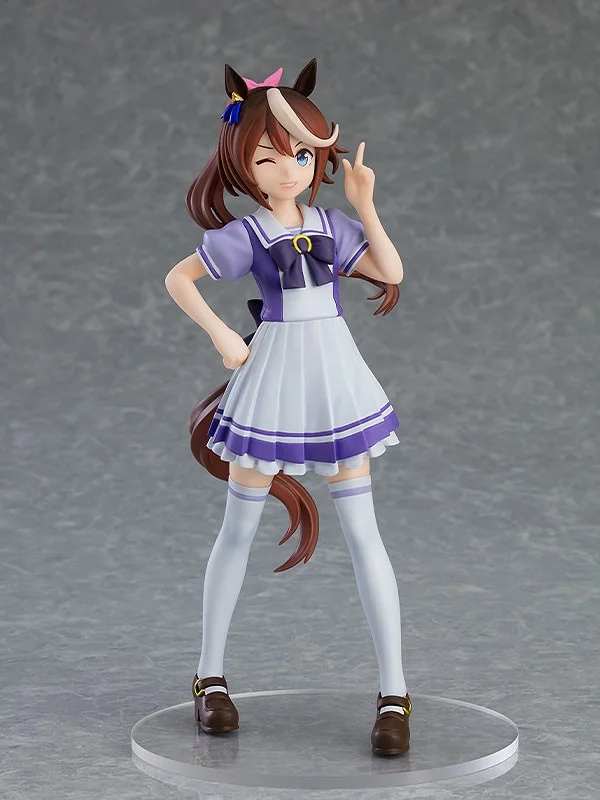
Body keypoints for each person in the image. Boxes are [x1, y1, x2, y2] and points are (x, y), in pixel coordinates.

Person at [165, 59, 412, 756]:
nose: (287, 169)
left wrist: (365, 203)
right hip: (272, 377)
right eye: (268, 157)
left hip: (333, 378)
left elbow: (391, 272)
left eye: (301, 154)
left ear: (318, 158)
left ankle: (394, 693)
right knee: (237, 531)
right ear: (242, 163)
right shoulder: (246, 234)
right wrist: (222, 336)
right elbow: (179, 278)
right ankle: (210, 677)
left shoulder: (333, 224)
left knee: (365, 535)